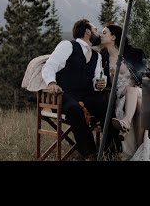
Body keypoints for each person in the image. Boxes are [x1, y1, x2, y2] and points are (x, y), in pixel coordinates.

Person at [41, 18, 116, 160]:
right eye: (95, 30)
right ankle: (90, 154)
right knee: (74, 109)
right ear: (87, 31)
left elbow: (97, 78)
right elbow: (50, 65)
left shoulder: (97, 56)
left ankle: (109, 152)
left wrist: (99, 83)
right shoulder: (67, 46)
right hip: (64, 95)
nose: (98, 33)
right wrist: (51, 82)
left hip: (86, 95)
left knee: (108, 107)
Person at [100, 23, 150, 161]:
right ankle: (139, 151)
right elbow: (99, 79)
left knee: (132, 90)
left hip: (140, 91)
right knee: (140, 112)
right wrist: (108, 78)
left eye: (104, 32)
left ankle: (126, 123)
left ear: (114, 37)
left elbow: (146, 73)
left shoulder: (134, 53)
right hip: (120, 97)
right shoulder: (102, 58)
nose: (100, 35)